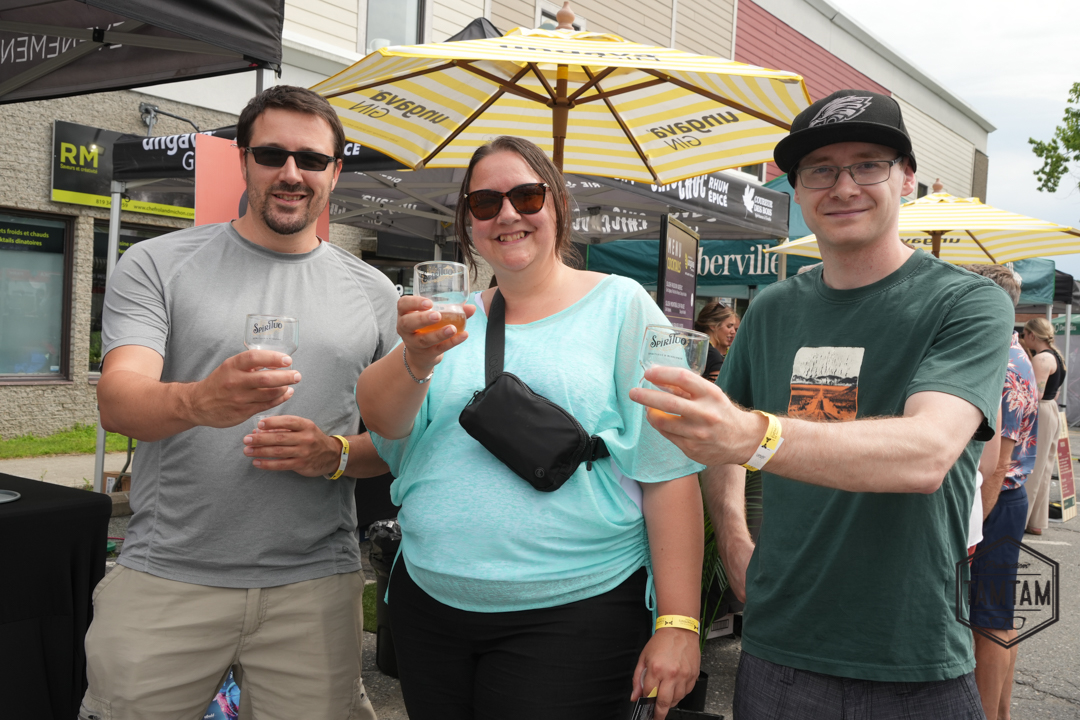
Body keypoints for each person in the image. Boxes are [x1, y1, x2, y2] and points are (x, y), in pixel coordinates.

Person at [628, 89, 1014, 718]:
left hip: (912, 650)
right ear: (799, 191)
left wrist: (752, 435)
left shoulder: (967, 302)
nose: (844, 187)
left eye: (868, 165)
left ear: (906, 178)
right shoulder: (772, 308)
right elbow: (719, 445)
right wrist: (734, 537)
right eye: (821, 170)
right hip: (778, 649)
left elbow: (926, 454)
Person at [356, 136, 704, 720]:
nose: (508, 214)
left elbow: (668, 467)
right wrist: (415, 356)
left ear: (558, 204)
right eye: (485, 202)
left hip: (573, 610)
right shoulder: (449, 315)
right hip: (430, 601)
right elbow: (383, 420)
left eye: (526, 196)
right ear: (469, 223)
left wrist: (678, 623)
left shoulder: (621, 304)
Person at [82, 86, 399, 720]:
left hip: (313, 583)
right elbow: (117, 400)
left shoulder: (373, 291)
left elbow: (401, 440)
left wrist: (335, 453)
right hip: (167, 573)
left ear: (335, 171)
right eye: (272, 154)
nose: (292, 173)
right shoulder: (156, 263)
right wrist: (200, 400)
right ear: (243, 160)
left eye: (312, 159)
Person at [962, 264, 1038, 720]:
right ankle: (1002, 711)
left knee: (987, 621)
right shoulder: (1013, 354)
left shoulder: (1005, 364)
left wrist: (975, 524)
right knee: (998, 618)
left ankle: (988, 714)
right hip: (1009, 497)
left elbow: (997, 465)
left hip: (998, 499)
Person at [1020, 317, 1066, 536]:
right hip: (1051, 409)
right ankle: (1036, 520)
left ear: (1032, 335)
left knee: (1032, 466)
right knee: (1044, 467)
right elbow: (1054, 393)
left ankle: (1022, 519)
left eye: (1024, 334)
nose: (1023, 339)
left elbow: (1035, 394)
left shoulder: (1041, 358)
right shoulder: (1057, 356)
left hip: (1040, 410)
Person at [695, 300, 739, 382]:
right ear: (712, 326)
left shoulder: (698, 348)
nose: (733, 331)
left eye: (734, 327)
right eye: (729, 326)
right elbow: (717, 387)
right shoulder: (713, 354)